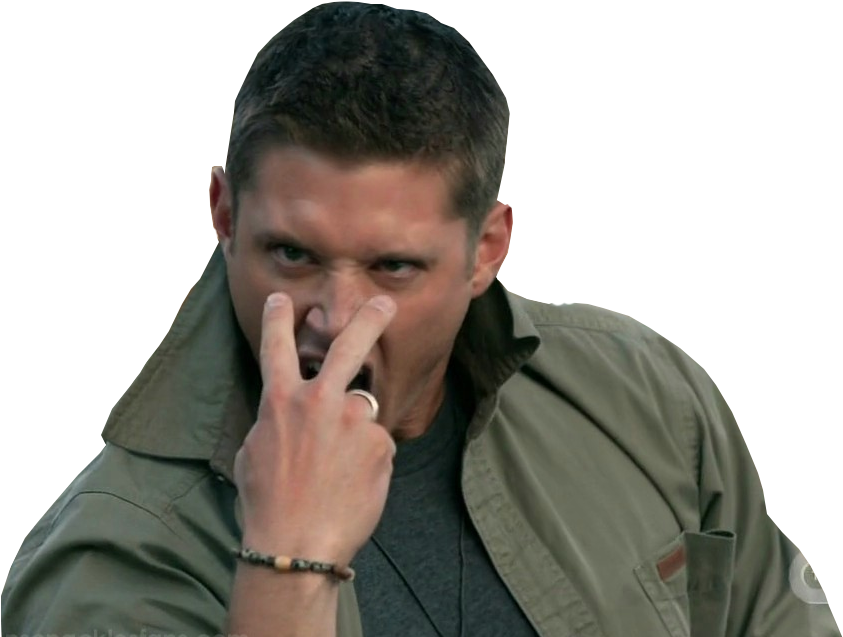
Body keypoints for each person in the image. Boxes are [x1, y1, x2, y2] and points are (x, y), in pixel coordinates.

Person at [2, 3, 838, 636]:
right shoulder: (114, 552)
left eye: (392, 268)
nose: (336, 319)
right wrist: (289, 562)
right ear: (222, 213)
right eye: (291, 254)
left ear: (486, 249)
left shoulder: (639, 390)